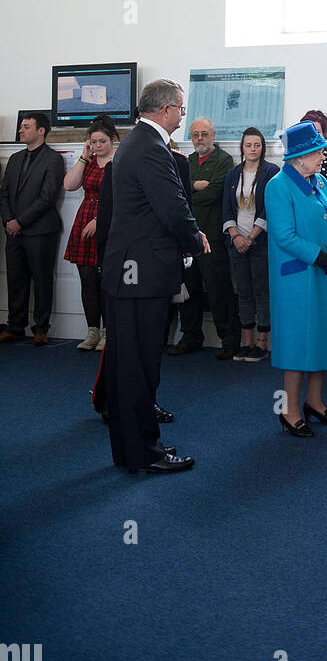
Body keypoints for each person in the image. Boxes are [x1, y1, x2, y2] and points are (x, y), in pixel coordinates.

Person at [101, 80, 208, 474]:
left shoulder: (137, 142)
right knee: (139, 367)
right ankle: (145, 453)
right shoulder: (149, 147)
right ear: (164, 110)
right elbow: (173, 207)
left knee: (128, 366)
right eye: (181, 108)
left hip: (132, 270)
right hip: (140, 274)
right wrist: (194, 240)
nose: (182, 114)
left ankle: (131, 449)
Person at [266, 122, 327, 437]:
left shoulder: (320, 181)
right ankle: (287, 410)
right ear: (298, 156)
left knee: (319, 340)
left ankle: (314, 402)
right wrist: (318, 256)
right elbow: (284, 235)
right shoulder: (278, 185)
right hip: (296, 279)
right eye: (318, 151)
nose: (323, 155)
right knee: (296, 344)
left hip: (321, 273)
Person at [168, 117, 238, 360]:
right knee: (189, 290)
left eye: (204, 134)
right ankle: (191, 337)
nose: (200, 138)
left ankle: (228, 339)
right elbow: (177, 194)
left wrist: (191, 190)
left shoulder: (224, 160)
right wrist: (194, 187)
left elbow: (214, 193)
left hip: (214, 238)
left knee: (219, 291)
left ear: (213, 135)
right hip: (188, 238)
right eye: (195, 134)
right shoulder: (186, 162)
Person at [0, 111, 65, 346]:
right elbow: (4, 192)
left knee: (42, 280)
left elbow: (47, 197)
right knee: (16, 280)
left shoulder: (53, 159)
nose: (21, 130)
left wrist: (20, 221)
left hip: (40, 230)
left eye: (26, 126)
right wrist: (9, 220)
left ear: (41, 131)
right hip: (13, 230)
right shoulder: (15, 159)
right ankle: (15, 326)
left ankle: (41, 328)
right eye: (21, 126)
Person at [63, 117, 120, 350]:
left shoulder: (119, 161)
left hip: (108, 220)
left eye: (102, 141)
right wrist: (83, 157)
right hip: (84, 215)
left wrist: (100, 220)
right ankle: (92, 331)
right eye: (94, 142)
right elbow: (69, 185)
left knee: (106, 280)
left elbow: (122, 198)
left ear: (112, 140)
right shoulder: (89, 160)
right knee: (87, 280)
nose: (98, 146)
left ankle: (109, 332)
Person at [223, 127, 279, 362]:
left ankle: (262, 344)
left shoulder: (271, 172)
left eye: (257, 145)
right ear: (242, 147)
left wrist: (252, 236)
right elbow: (226, 207)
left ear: (262, 147)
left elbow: (270, 208)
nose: (253, 149)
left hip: (260, 241)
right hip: (236, 242)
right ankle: (246, 342)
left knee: (261, 292)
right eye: (248, 145)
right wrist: (236, 236)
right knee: (243, 292)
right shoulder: (233, 174)